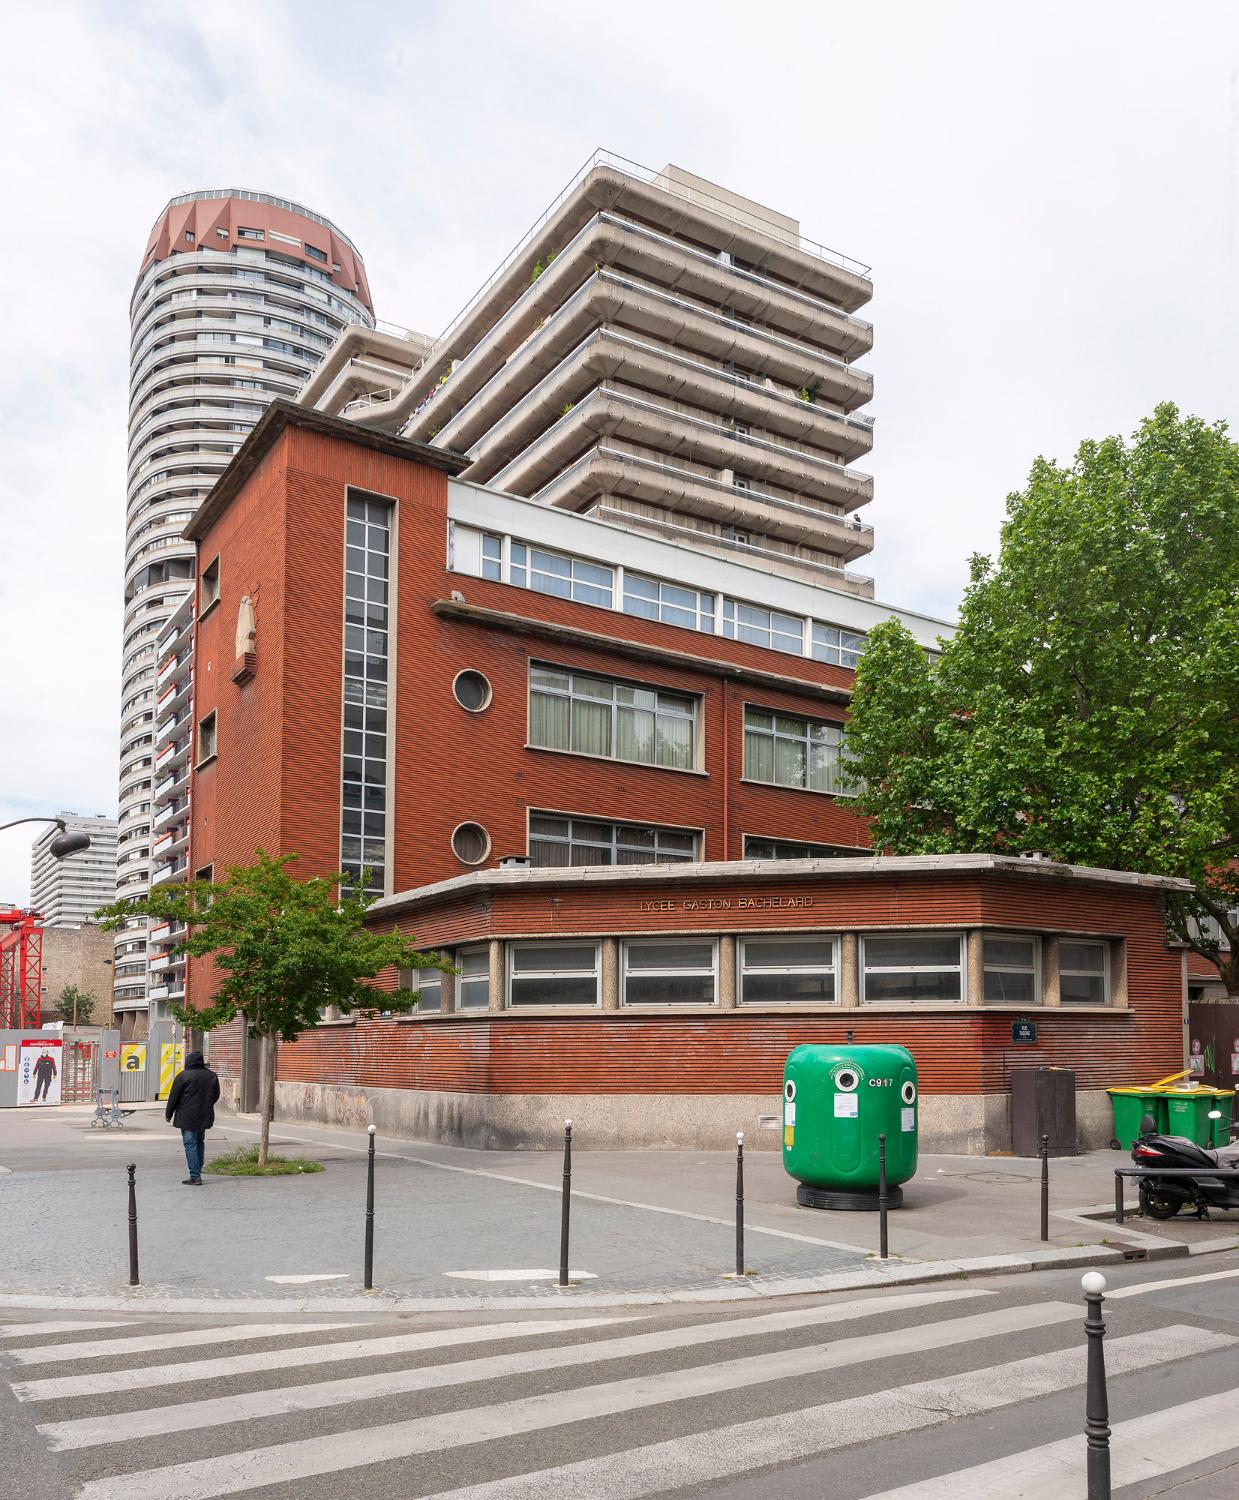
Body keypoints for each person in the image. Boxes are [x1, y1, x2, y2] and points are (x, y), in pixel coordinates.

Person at [164, 1049, 220, 1186]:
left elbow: (173, 1097)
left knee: (190, 1144)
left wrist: (168, 1114)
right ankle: (198, 1172)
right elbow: (216, 1094)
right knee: (199, 1143)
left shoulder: (183, 1076)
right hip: (204, 1115)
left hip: (187, 1116)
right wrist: (207, 1105)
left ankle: (195, 1176)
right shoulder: (212, 1076)